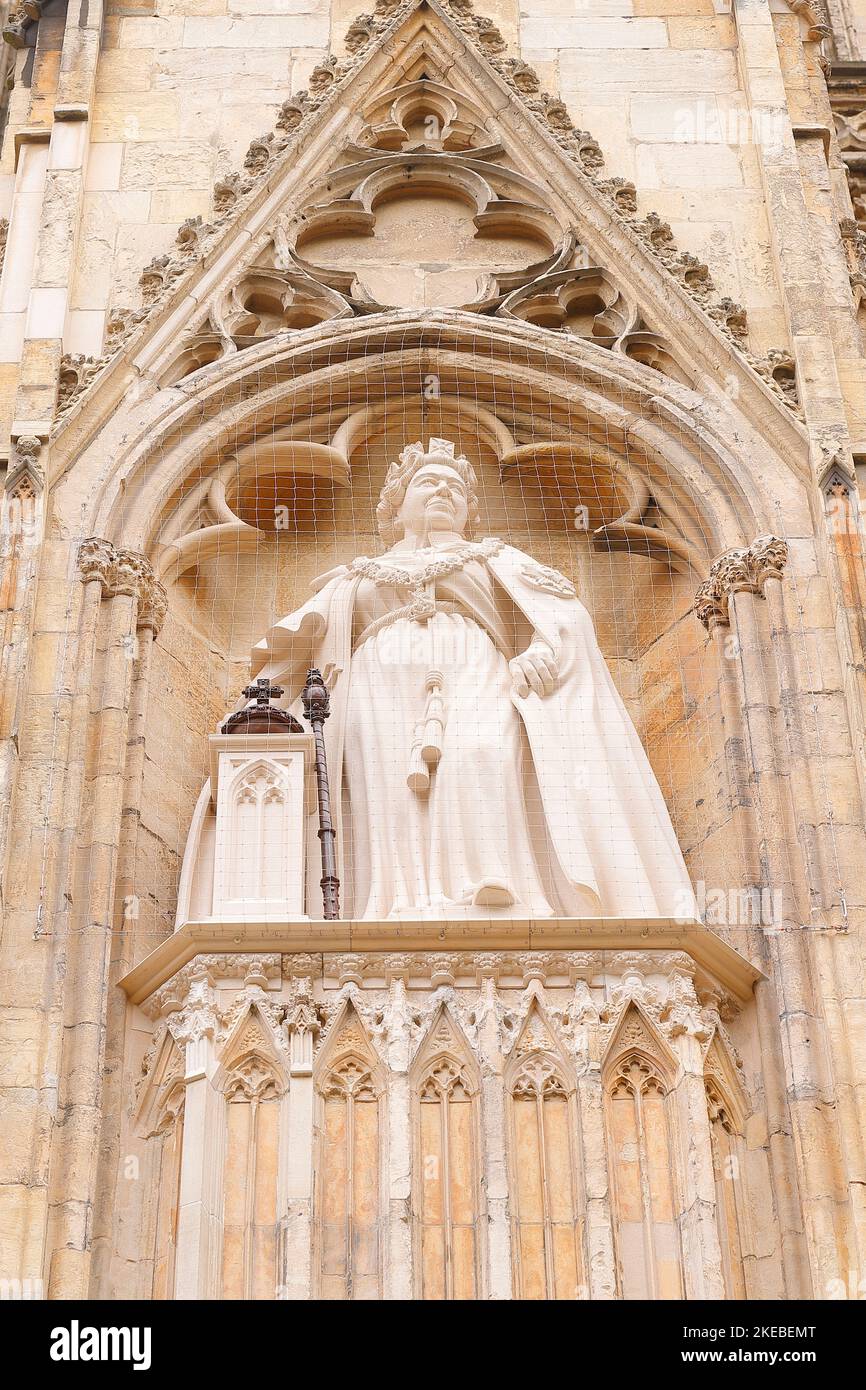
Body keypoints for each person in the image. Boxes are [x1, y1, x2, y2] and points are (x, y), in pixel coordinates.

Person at [249, 438, 696, 921]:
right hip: (377, 685)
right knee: (388, 787)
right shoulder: (355, 576)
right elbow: (293, 650)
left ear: (468, 513)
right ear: (396, 508)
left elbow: (564, 618)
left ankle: (492, 882)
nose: (443, 490)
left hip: (478, 671)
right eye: (428, 482)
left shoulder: (497, 559)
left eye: (455, 488)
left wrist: (540, 653)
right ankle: (397, 901)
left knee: (483, 754)